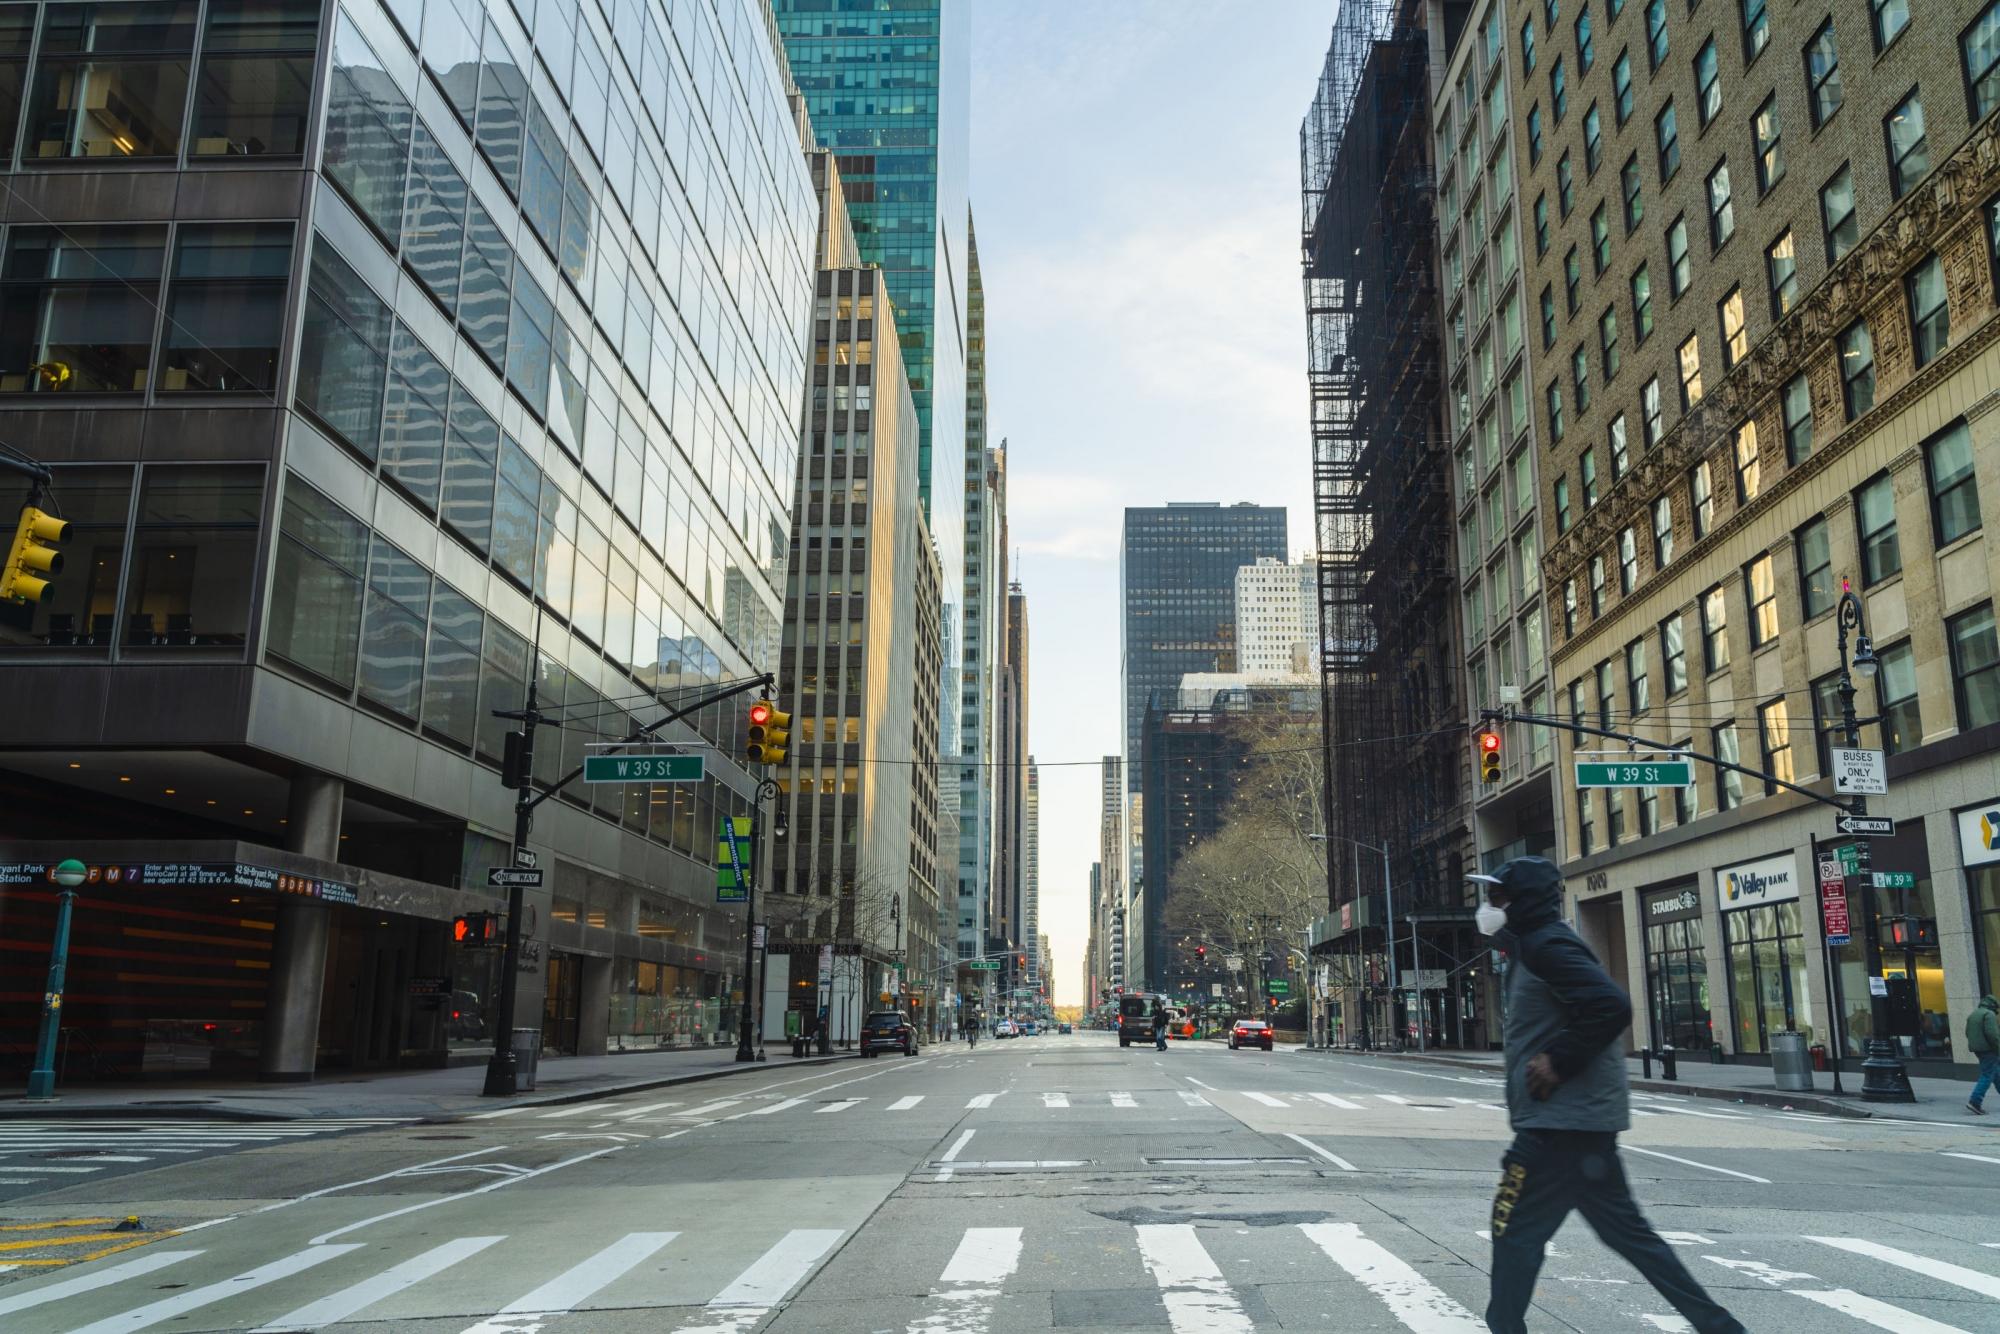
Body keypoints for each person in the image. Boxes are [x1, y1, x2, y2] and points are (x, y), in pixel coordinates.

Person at [1469, 858, 1744, 1334]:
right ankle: (1721, 1329)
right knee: (1632, 1238)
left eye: (1497, 896)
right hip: (1576, 1128)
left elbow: (1610, 1004)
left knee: (1512, 1231)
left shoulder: (1547, 945)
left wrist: (1559, 1059)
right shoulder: (1531, 946)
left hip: (1559, 1129)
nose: (1488, 905)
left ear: (1522, 900)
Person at [1966, 993, 1999, 1114]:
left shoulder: (1974, 1014)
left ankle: (1975, 1101)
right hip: (1989, 1050)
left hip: (1978, 1050)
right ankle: (1975, 1102)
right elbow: (1993, 1035)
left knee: (1996, 1073)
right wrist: (1998, 1049)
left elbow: (1967, 1032)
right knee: (1987, 1075)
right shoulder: (1988, 1014)